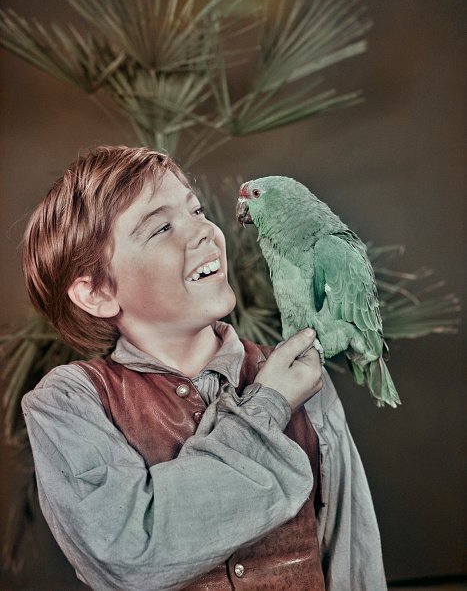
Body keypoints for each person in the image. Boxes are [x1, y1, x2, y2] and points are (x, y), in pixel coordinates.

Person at [21, 145, 387, 590]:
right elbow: (129, 553)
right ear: (97, 293)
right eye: (160, 228)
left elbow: (354, 557)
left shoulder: (303, 376)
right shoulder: (68, 403)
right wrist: (265, 407)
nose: (205, 232)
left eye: (196, 210)